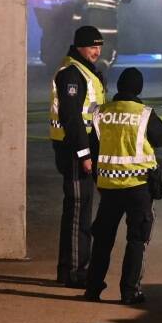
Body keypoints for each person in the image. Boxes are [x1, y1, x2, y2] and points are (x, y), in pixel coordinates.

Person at [84, 68, 162, 304]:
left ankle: (92, 289)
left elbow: (93, 145)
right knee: (137, 239)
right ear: (139, 89)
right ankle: (129, 292)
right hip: (138, 186)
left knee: (102, 239)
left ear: (119, 87)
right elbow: (161, 138)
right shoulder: (144, 114)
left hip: (108, 187)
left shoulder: (101, 113)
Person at [51, 25, 107, 289]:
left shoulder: (85, 71)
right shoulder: (72, 74)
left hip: (82, 148)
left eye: (99, 46)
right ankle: (74, 271)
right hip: (74, 151)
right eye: (92, 46)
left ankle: (72, 269)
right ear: (80, 46)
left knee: (82, 210)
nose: (96, 51)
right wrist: (85, 154)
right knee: (77, 212)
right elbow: (72, 118)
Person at [73, 0, 131, 70]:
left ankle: (92, 73)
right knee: (109, 54)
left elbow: (78, 5)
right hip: (110, 27)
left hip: (94, 27)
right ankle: (103, 67)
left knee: (93, 52)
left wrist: (76, 22)